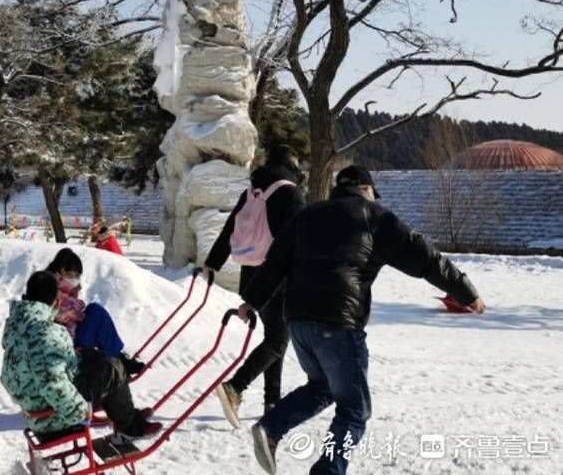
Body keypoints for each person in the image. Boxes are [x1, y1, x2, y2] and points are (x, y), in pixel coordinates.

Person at [239, 164, 486, 475]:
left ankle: (272, 427)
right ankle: (326, 469)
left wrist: (252, 301)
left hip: (298, 321)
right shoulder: (374, 216)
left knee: (323, 387)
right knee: (355, 411)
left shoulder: (307, 215)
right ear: (367, 189)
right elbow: (426, 258)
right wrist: (465, 291)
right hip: (338, 324)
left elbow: (275, 261)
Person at [203, 143, 306, 425]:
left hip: (249, 277)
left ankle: (272, 403)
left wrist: (212, 262)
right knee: (277, 341)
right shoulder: (290, 193)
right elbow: (299, 239)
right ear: (292, 165)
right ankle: (234, 387)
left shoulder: (251, 192)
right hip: (277, 279)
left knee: (275, 339)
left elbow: (229, 230)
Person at [1, 270, 161, 444]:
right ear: (55, 303)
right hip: (52, 418)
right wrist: (80, 412)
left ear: (26, 297)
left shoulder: (15, 327)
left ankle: (125, 412)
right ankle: (130, 426)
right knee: (112, 369)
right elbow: (53, 384)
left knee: (92, 356)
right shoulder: (47, 333)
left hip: (36, 404)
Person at [45, 248, 144, 375]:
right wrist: (77, 305)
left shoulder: (64, 289)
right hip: (63, 346)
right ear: (59, 272)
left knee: (94, 312)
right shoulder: (48, 288)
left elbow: (74, 312)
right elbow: (69, 308)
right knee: (95, 314)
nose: (74, 279)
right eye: (70, 275)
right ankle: (117, 360)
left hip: (69, 337)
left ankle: (116, 358)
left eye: (77, 276)